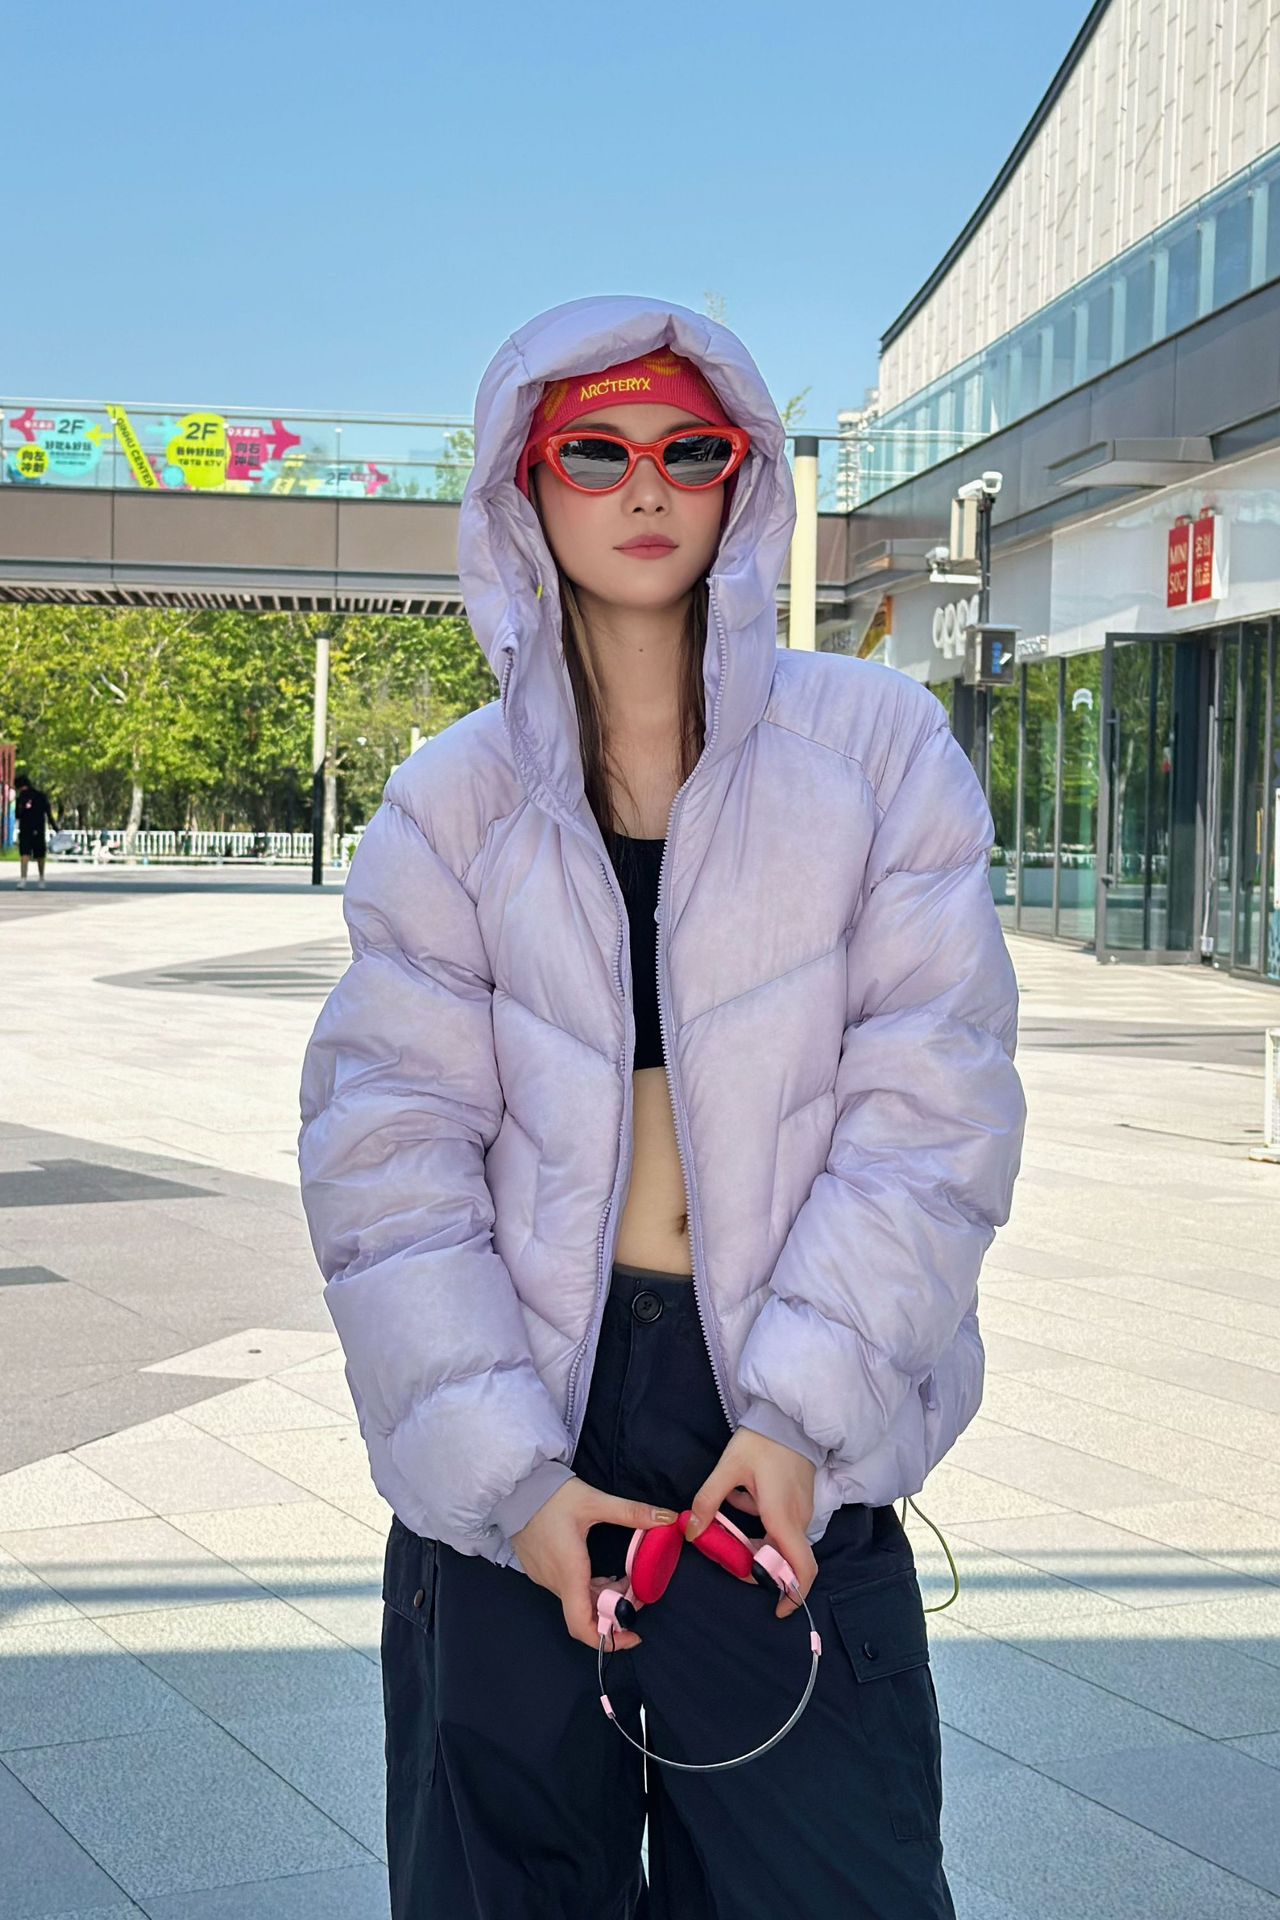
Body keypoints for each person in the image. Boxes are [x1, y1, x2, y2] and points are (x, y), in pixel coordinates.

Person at [298, 294, 1027, 1920]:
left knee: (828, 1885)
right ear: (525, 482)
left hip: (773, 1422)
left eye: (690, 451)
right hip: (525, 1411)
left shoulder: (879, 753)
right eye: (596, 451)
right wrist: (510, 1482)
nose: (645, 487)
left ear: (743, 476)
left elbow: (935, 1109)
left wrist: (800, 1418)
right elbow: (386, 1163)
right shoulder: (450, 801)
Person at [14, 773, 57, 889]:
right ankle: (41, 879)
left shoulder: (20, 798)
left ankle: (23, 880)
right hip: (39, 829)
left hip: (25, 829)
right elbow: (48, 813)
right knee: (40, 855)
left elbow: (17, 815)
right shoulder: (41, 796)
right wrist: (55, 828)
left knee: (25, 854)